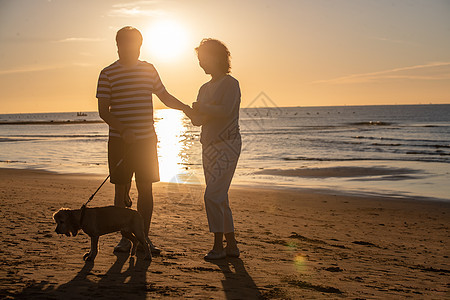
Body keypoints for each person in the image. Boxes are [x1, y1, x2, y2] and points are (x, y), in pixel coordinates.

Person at [96, 26, 192, 254]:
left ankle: (143, 239)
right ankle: (124, 240)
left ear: (140, 46)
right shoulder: (107, 73)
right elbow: (103, 111)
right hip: (120, 142)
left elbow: (164, 96)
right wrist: (124, 129)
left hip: (147, 141)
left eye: (136, 45)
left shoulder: (148, 69)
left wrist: (186, 108)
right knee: (121, 191)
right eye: (126, 45)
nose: (132, 49)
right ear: (118, 46)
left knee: (145, 190)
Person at [187, 38, 242, 260]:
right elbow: (200, 120)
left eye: (203, 59)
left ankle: (218, 245)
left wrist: (202, 108)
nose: (201, 64)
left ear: (217, 58)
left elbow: (226, 111)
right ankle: (232, 246)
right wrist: (192, 113)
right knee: (220, 197)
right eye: (199, 60)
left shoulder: (231, 84)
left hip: (228, 144)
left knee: (212, 195)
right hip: (208, 145)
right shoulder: (204, 88)